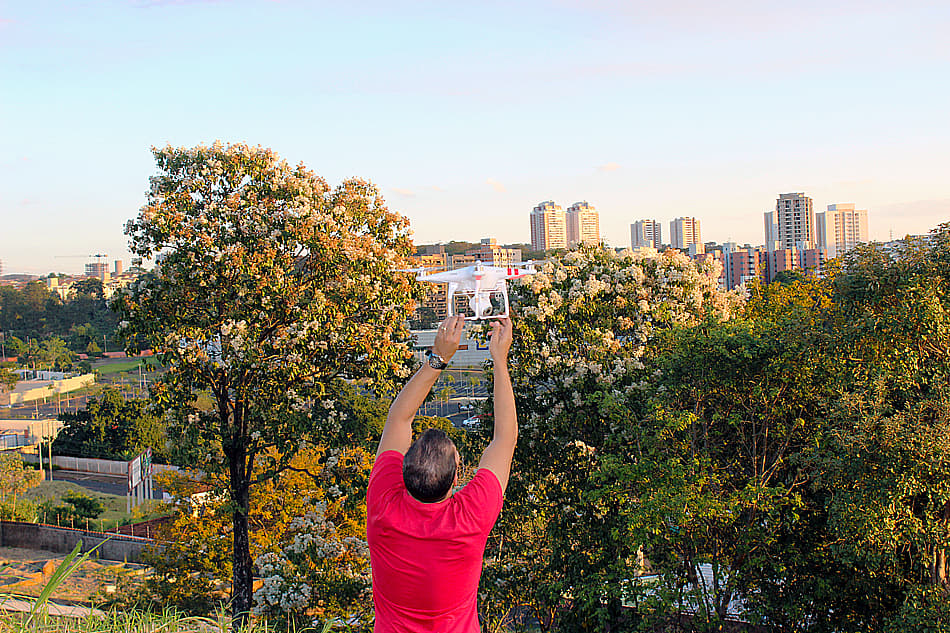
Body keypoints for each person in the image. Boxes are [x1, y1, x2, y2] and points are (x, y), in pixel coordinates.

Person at [366, 315, 517, 633]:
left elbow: (398, 420)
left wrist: (438, 359)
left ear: (402, 470)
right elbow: (504, 438)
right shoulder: (469, 517)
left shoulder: (383, 506)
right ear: (456, 477)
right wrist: (499, 361)